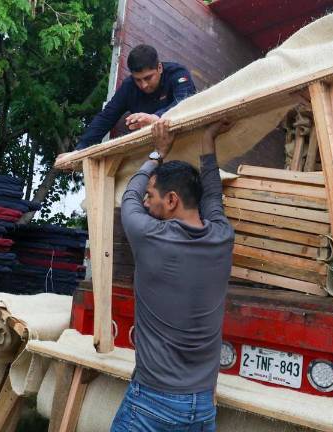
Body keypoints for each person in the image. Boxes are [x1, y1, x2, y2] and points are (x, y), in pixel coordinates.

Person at [110, 119, 234, 431]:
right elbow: (212, 198)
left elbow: (128, 196)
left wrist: (157, 152)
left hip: (152, 404)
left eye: (152, 195)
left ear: (172, 200)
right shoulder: (222, 237)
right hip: (202, 407)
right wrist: (208, 142)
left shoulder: (150, 236)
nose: (146, 201)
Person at [75, 44, 197, 150]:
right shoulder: (128, 86)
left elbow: (185, 102)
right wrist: (81, 148)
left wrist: (155, 118)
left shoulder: (177, 73)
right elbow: (106, 116)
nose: (143, 85)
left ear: (159, 68)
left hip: (186, 139)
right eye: (137, 80)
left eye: (148, 77)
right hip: (151, 147)